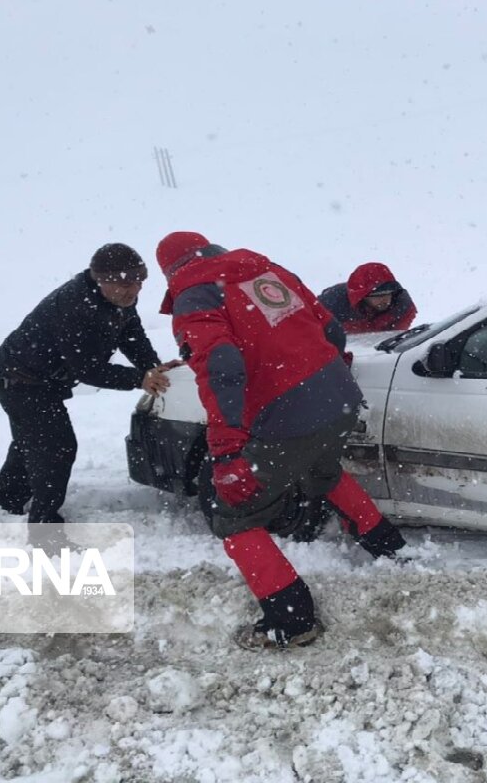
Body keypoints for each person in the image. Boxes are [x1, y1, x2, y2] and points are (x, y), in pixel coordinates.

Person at [155, 231, 407, 651]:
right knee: (322, 472)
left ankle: (291, 620)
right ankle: (391, 548)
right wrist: (321, 376)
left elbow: (221, 368)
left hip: (288, 412)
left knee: (232, 512)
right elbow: (331, 328)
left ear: (170, 270)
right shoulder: (265, 271)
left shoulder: (196, 295)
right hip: (338, 397)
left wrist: (227, 452)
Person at [0, 244, 173, 525]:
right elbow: (88, 370)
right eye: (124, 283)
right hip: (19, 379)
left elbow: (131, 335)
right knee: (55, 448)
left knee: (32, 442)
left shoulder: (118, 299)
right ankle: (44, 524)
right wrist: (139, 379)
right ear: (101, 279)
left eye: (138, 282)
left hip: (42, 379)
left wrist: (151, 366)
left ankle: (4, 501)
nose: (133, 290)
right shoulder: (75, 307)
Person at [319, 262, 417, 334]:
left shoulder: (402, 306)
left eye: (388, 294)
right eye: (377, 296)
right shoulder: (332, 304)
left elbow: (394, 339)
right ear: (362, 297)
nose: (385, 300)